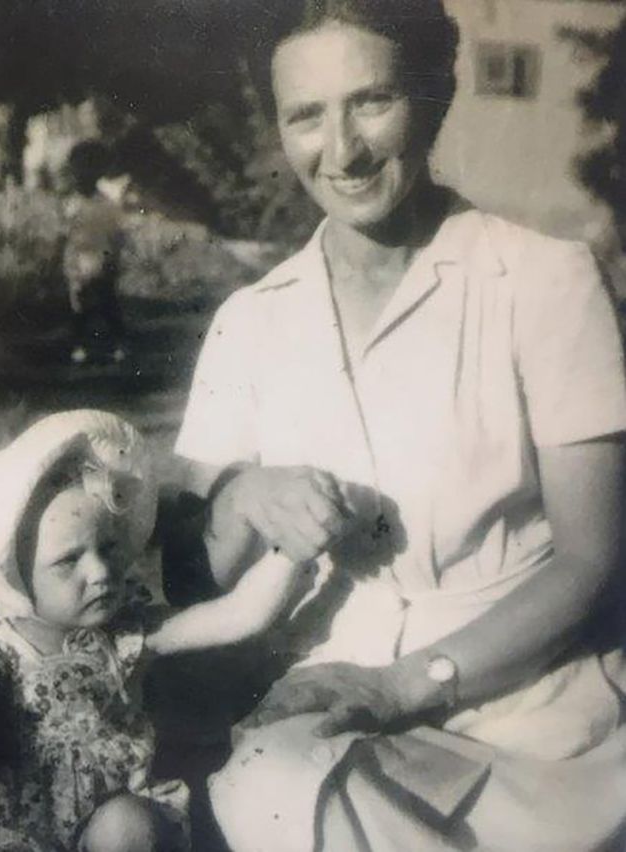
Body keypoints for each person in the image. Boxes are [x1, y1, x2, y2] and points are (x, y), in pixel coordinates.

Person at [168, 1, 626, 849]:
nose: (340, 152)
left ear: (433, 94)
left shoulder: (544, 282)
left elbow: (596, 557)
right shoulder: (251, 321)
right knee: (273, 791)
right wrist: (240, 496)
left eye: (372, 102)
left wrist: (408, 685)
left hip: (536, 723)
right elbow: (191, 580)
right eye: (307, 115)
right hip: (327, 721)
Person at [0, 409, 305, 852]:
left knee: (127, 827)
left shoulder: (126, 635)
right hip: (10, 831)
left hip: (108, 823)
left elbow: (237, 615)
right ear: (14, 574)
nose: (99, 572)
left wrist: (292, 552)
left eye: (109, 547)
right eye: (69, 561)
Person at [61, 142, 129, 365]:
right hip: (78, 261)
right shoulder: (70, 203)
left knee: (107, 302)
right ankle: (79, 345)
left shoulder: (108, 204)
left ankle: (118, 343)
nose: (82, 177)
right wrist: (69, 262)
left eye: (89, 172)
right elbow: (66, 236)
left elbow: (117, 234)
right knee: (79, 305)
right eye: (79, 172)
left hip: (102, 257)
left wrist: (114, 259)